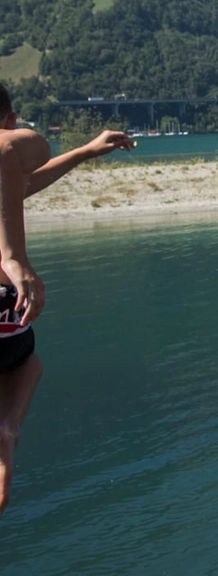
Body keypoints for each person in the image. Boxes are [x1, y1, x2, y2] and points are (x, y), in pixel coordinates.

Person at [0, 86, 134, 516]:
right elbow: (16, 152)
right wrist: (14, 257)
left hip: (9, 325)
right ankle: (8, 427)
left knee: (28, 360)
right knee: (28, 361)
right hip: (8, 321)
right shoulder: (11, 142)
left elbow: (22, 182)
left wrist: (83, 152)